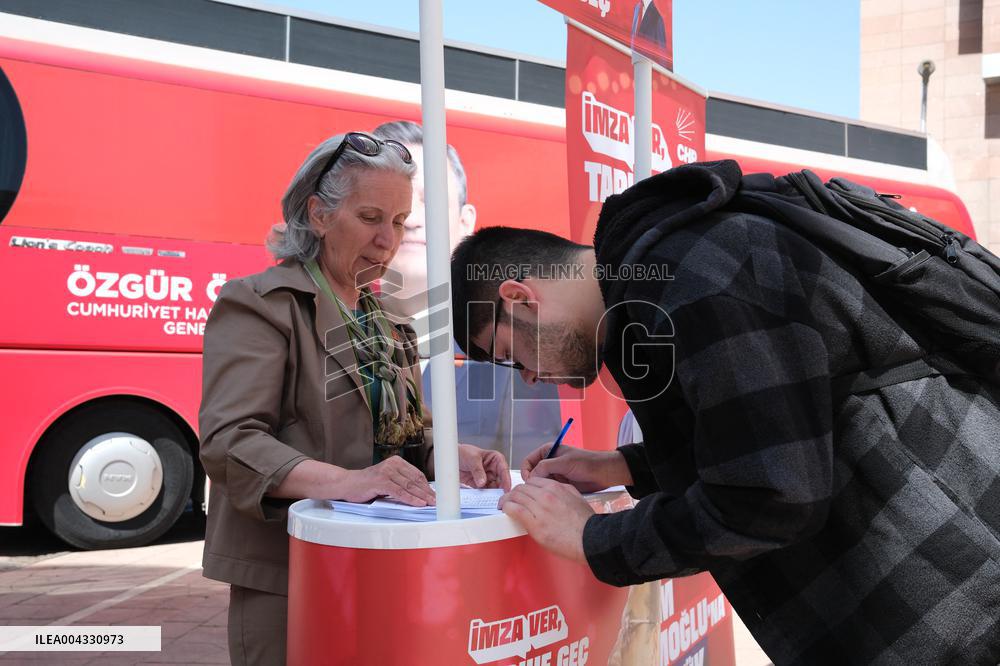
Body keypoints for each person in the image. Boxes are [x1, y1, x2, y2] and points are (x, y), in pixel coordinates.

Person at [448, 164, 1000, 663]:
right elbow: (777, 423)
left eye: (509, 355)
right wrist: (624, 467)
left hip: (955, 600)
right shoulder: (665, 276)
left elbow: (769, 496)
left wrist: (594, 538)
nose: (527, 376)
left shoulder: (696, 273)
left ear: (521, 297)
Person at [199, 131, 510, 666]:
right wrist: (350, 483)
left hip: (382, 565)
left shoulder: (389, 321)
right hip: (289, 569)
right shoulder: (260, 304)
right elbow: (230, 442)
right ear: (318, 215)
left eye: (398, 222)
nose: (388, 241)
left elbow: (407, 437)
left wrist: (450, 455)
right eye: (370, 218)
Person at [372, 120, 562, 465]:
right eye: (390, 203)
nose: (411, 219)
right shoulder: (326, 338)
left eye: (430, 200)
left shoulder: (512, 351)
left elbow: (532, 483)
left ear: (465, 221)